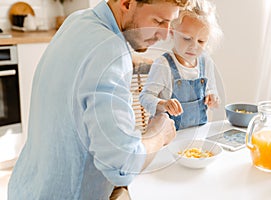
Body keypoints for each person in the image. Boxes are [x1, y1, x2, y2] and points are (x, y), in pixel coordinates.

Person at [7, 0, 188, 199]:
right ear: (127, 4)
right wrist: (158, 134)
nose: (164, 35)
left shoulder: (76, 21)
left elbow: (89, 69)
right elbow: (122, 165)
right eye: (159, 21)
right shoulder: (110, 51)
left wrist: (144, 63)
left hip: (26, 188)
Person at [139, 0, 223, 130]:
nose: (194, 46)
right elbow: (145, 97)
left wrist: (213, 97)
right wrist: (163, 104)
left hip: (196, 134)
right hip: (167, 136)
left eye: (201, 41)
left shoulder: (206, 62)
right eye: (187, 38)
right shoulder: (163, 64)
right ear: (172, 32)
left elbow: (211, 92)